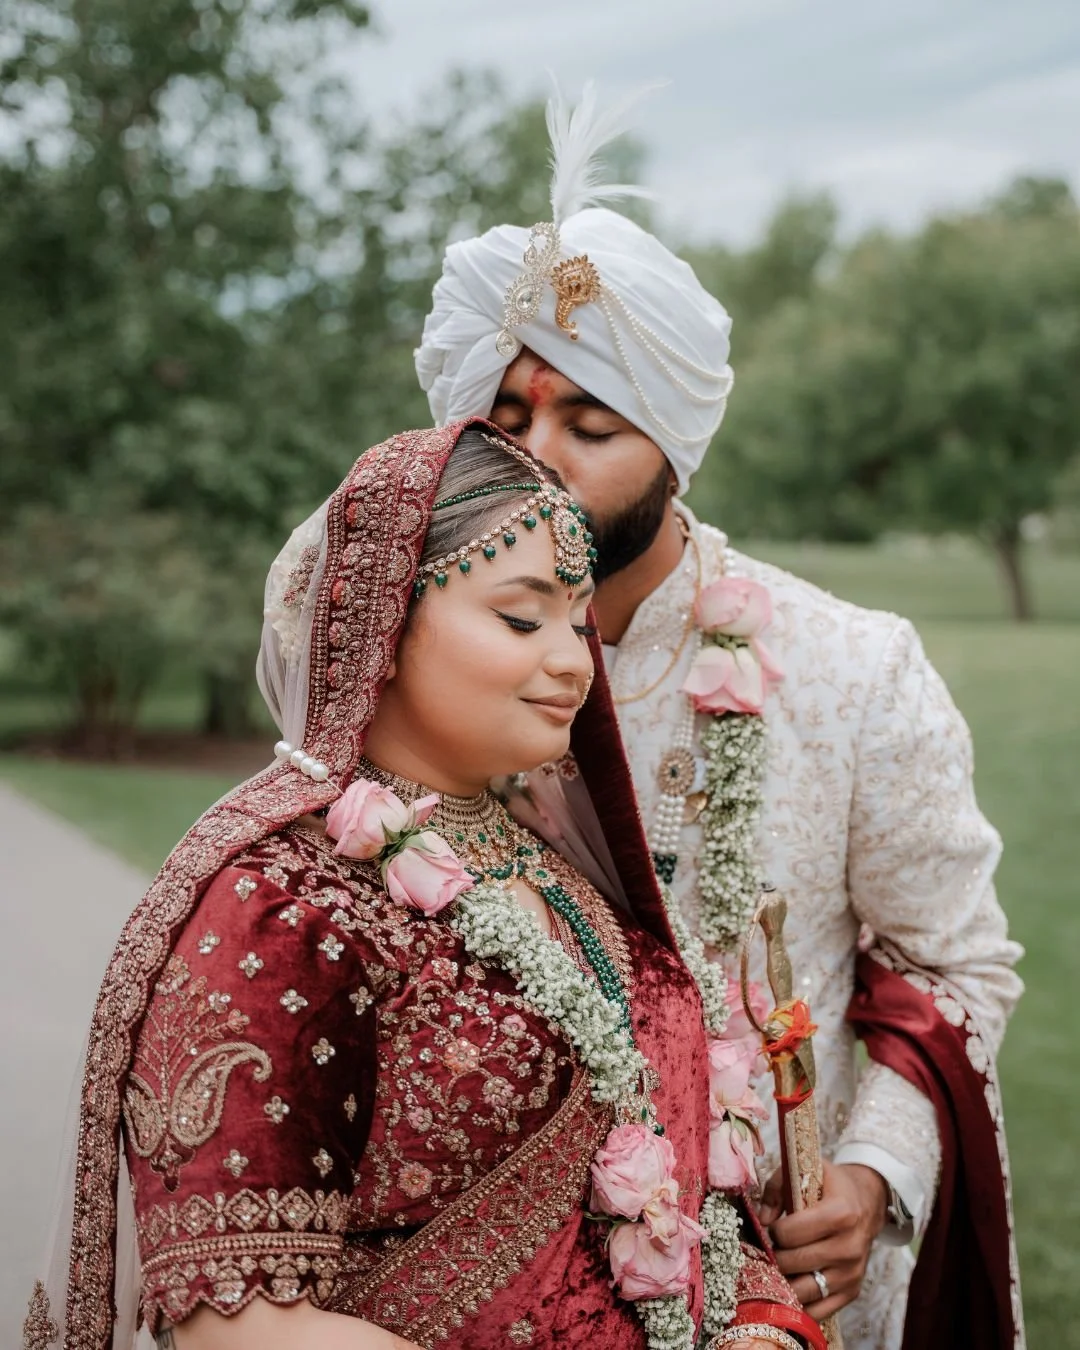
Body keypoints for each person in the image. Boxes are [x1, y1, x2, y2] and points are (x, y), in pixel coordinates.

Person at [413, 86, 1026, 1350]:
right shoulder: (415, 666)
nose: (539, 457)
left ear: (678, 448)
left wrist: (873, 1178)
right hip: (494, 1279)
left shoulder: (853, 669)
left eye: (591, 424)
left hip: (778, 1295)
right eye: (508, 418)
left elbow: (953, 967)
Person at [23, 423, 823, 1350]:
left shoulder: (562, 875)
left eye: (577, 621)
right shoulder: (283, 909)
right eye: (524, 619)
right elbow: (233, 1323)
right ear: (383, 626)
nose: (572, 661)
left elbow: (685, 1193)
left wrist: (760, 1326)